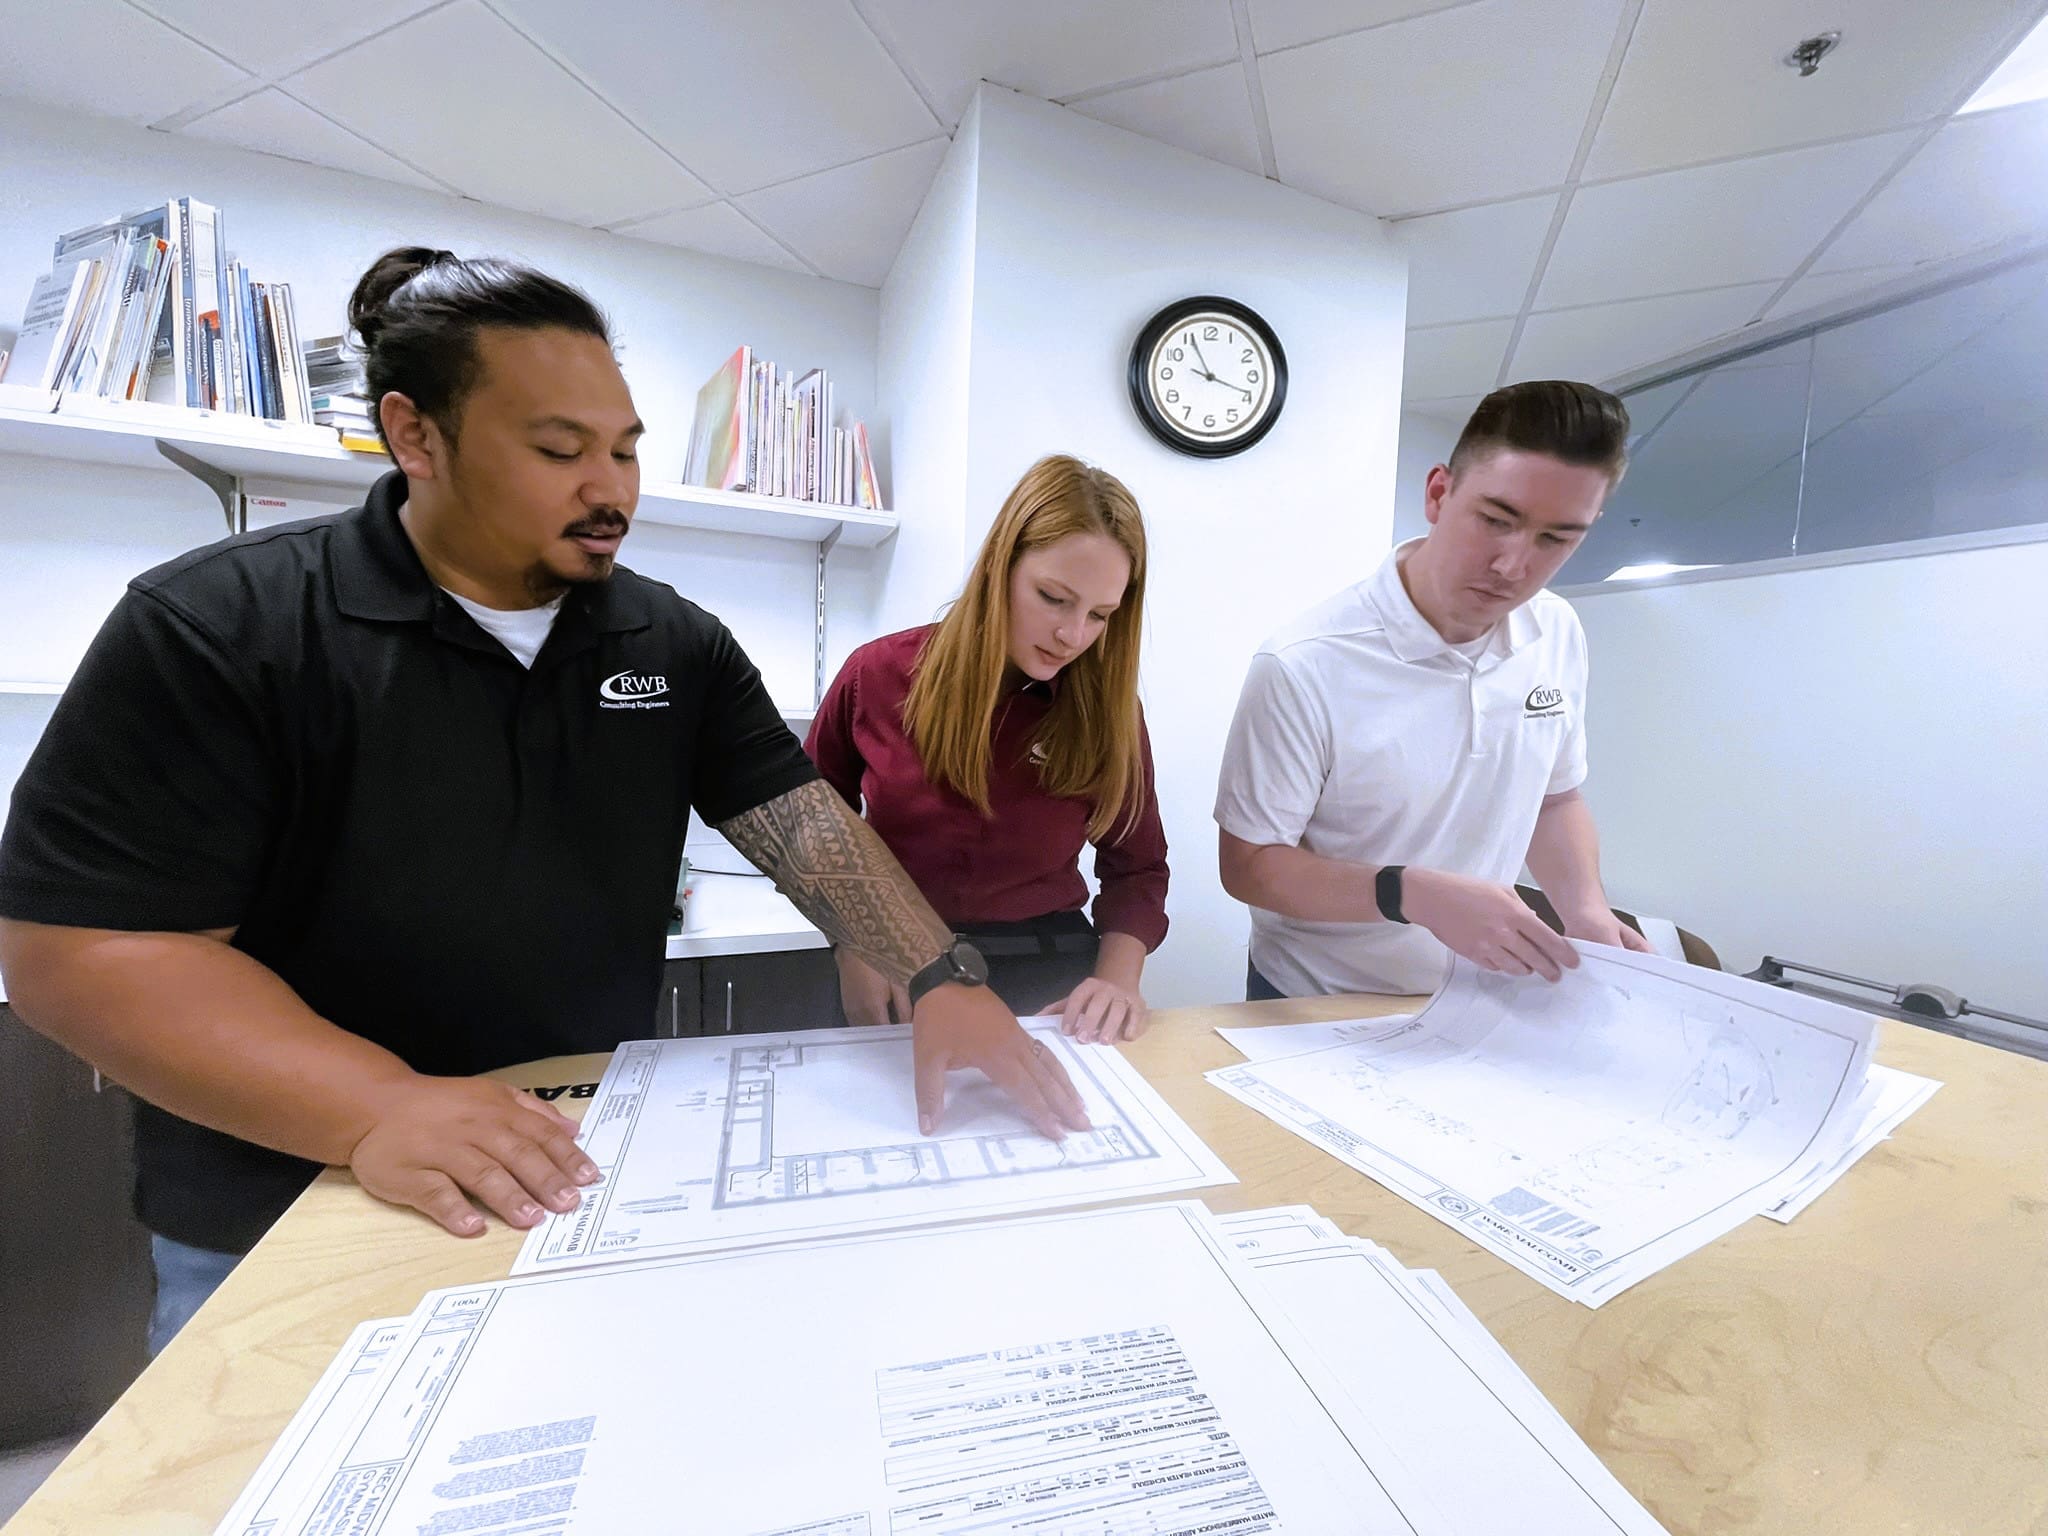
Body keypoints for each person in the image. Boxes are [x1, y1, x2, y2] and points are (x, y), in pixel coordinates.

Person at [0, 248, 1085, 1354]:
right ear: (415, 436)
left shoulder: (670, 640)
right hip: (281, 1200)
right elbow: (80, 955)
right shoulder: (224, 624)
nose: (610, 488)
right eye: (559, 450)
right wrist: (377, 1104)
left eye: (622, 450)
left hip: (571, 1175)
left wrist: (939, 973)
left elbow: (801, 823)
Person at [1215, 380, 1653, 1001]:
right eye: (1496, 520)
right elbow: (1250, 866)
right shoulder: (1304, 663)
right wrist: (1410, 894)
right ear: (1439, 492)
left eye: (1556, 539)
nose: (1513, 565)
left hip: (1476, 998)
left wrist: (1586, 912)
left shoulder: (1556, 629)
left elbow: (1554, 799)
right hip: (1318, 998)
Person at [805, 455, 1168, 1044]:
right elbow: (810, 826)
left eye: (1100, 615)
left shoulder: (1111, 714)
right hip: (893, 966)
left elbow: (1140, 868)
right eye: (1053, 597)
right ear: (1002, 565)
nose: (1073, 635)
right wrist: (852, 942)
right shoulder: (877, 675)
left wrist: (1116, 982)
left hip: (1048, 981)